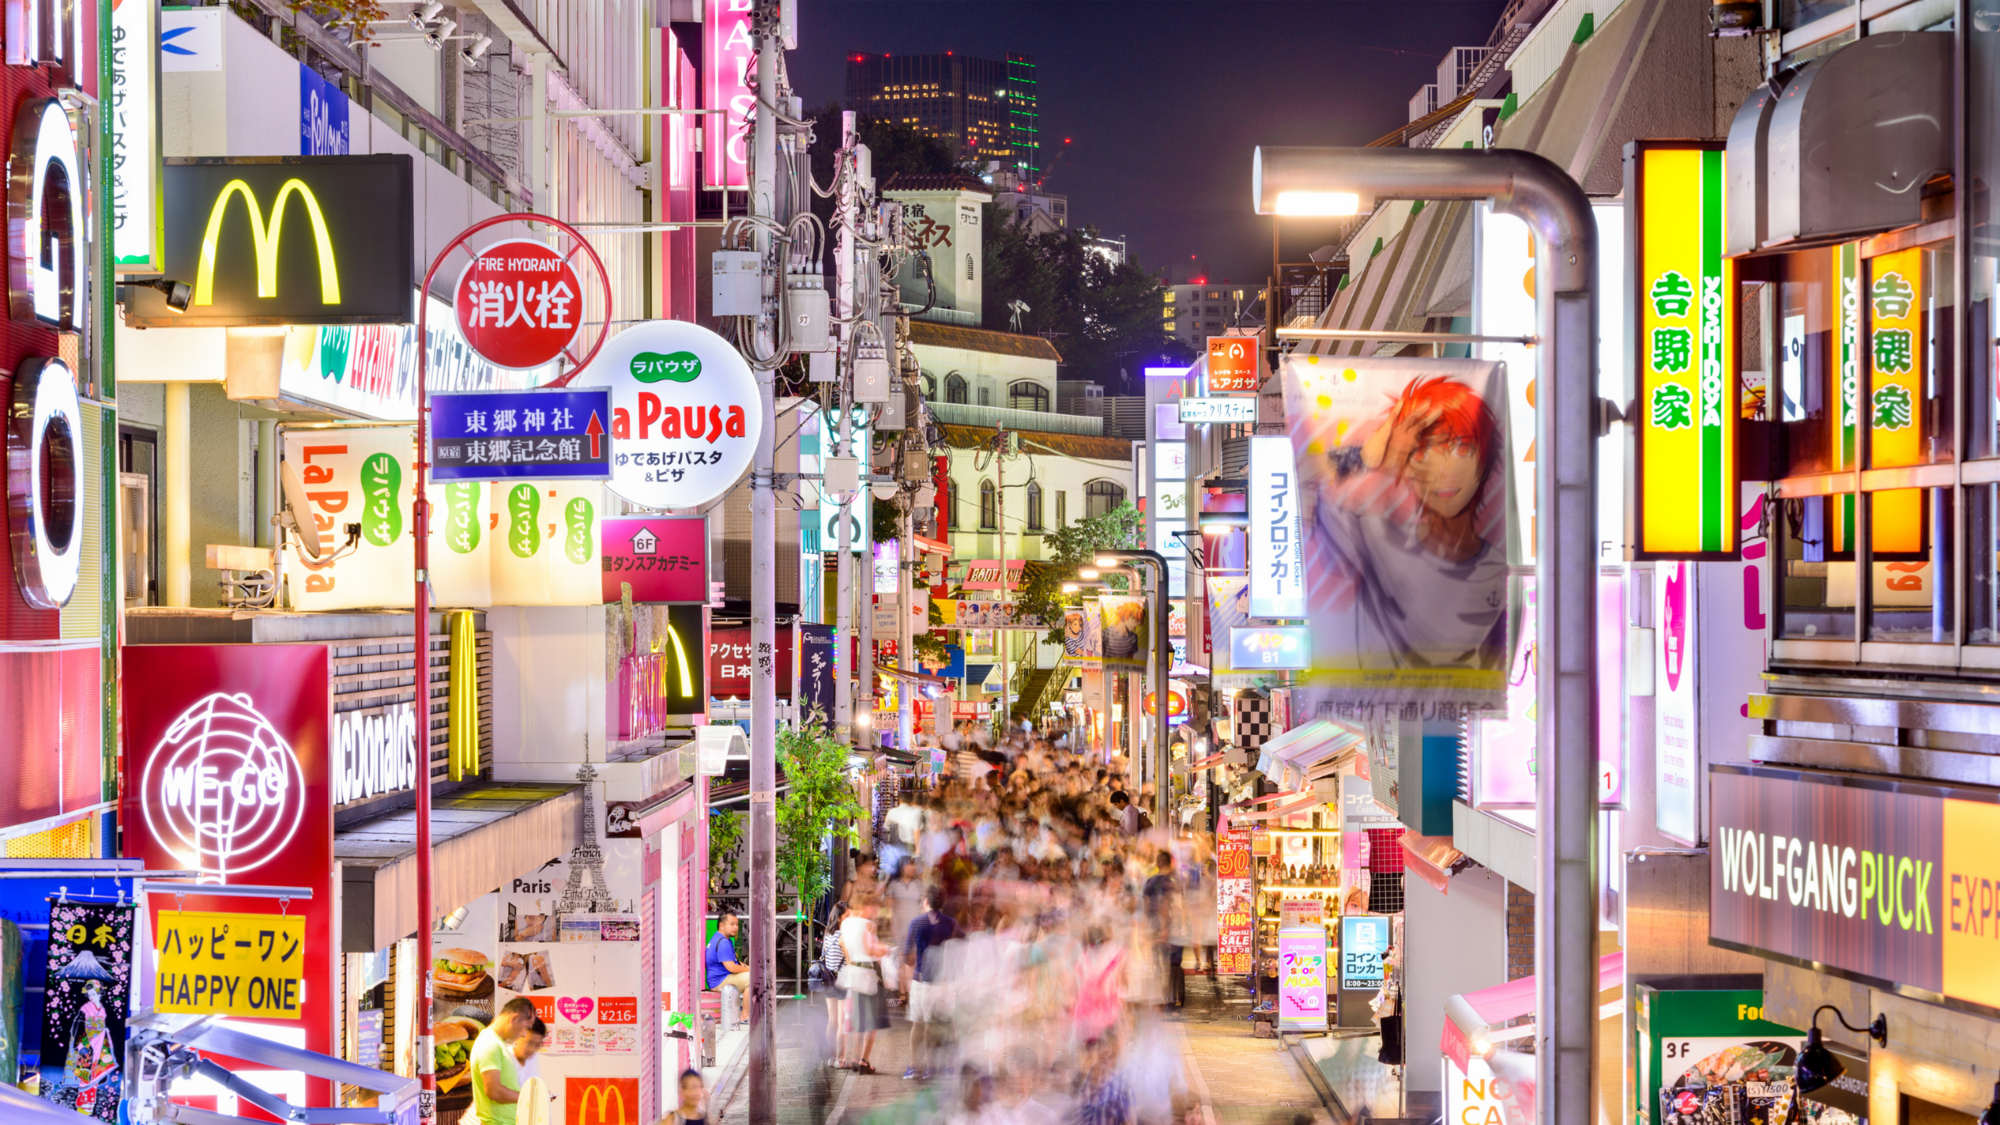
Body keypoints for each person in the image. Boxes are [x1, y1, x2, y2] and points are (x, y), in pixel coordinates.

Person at [901, 885, 958, 1080]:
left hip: (922, 981)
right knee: (948, 1024)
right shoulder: (951, 923)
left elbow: (908, 957)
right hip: (946, 982)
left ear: (926, 901)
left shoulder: (917, 923)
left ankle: (916, 1067)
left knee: (919, 1024)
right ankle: (948, 1067)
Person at [839, 898, 893, 1074]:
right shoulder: (868, 924)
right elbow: (869, 950)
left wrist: (850, 960)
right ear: (867, 906)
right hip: (870, 972)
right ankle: (865, 1060)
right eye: (875, 909)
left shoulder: (846, 923)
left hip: (854, 972)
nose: (876, 913)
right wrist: (884, 950)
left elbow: (842, 943)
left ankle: (855, 1057)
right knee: (872, 1020)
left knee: (859, 1018)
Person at [469, 996, 537, 1125]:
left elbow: (504, 1087)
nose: (524, 1034)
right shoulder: (490, 1044)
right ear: (514, 1018)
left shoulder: (496, 1043)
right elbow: (494, 1091)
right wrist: (532, 1098)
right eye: (526, 1028)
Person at [1143, 850, 1187, 1008]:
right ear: (1170, 863)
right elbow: (1178, 905)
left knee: (1158, 963)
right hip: (1173, 927)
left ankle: (1161, 996)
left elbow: (1146, 906)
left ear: (1157, 863)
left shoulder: (1150, 882)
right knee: (1174, 964)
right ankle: (1175, 997)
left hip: (1154, 928)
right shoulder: (1174, 881)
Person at [705, 914, 749, 1031]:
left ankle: (746, 1011)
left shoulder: (722, 938)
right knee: (752, 978)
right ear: (721, 925)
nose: (735, 927)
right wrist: (752, 971)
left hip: (724, 977)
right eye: (732, 924)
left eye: (737, 924)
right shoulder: (723, 942)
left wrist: (750, 968)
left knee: (752, 974)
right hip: (720, 981)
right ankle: (745, 1016)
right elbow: (731, 967)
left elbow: (736, 962)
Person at [819, 900, 848, 1058]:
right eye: (847, 916)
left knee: (832, 1021)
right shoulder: (844, 935)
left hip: (828, 978)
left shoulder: (827, 933)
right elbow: (849, 959)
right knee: (842, 1022)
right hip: (842, 980)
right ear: (840, 918)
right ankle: (840, 1059)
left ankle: (832, 1057)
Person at [510, 1017, 546, 1086]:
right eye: (529, 1043)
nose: (532, 1049)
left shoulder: (533, 1058)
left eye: (537, 1045)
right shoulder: (505, 1057)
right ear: (517, 1037)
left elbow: (536, 1085)